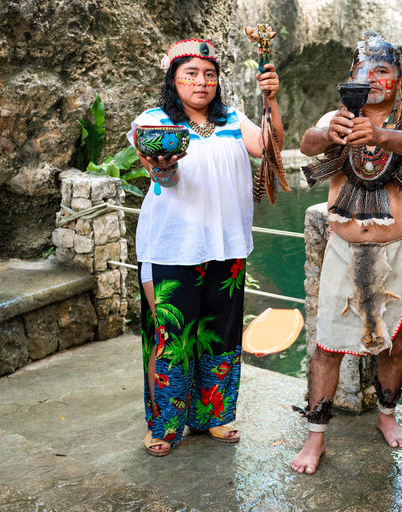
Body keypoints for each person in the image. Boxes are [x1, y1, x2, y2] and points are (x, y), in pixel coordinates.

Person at [126, 39, 282, 456]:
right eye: (191, 73)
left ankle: (212, 415)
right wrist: (163, 167)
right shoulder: (153, 119)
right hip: (174, 247)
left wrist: (272, 101)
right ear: (173, 78)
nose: (201, 82)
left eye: (209, 74)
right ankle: (164, 425)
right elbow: (161, 174)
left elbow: (269, 147)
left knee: (221, 334)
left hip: (227, 245)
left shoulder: (231, 118)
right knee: (173, 336)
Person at [291, 31, 402, 474]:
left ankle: (386, 418)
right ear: (349, 78)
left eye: (383, 70)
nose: (372, 78)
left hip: (397, 250)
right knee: (326, 347)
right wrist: (327, 131)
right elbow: (307, 144)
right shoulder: (336, 120)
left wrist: (380, 133)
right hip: (343, 248)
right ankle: (315, 436)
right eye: (363, 71)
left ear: (398, 79)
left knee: (392, 347)